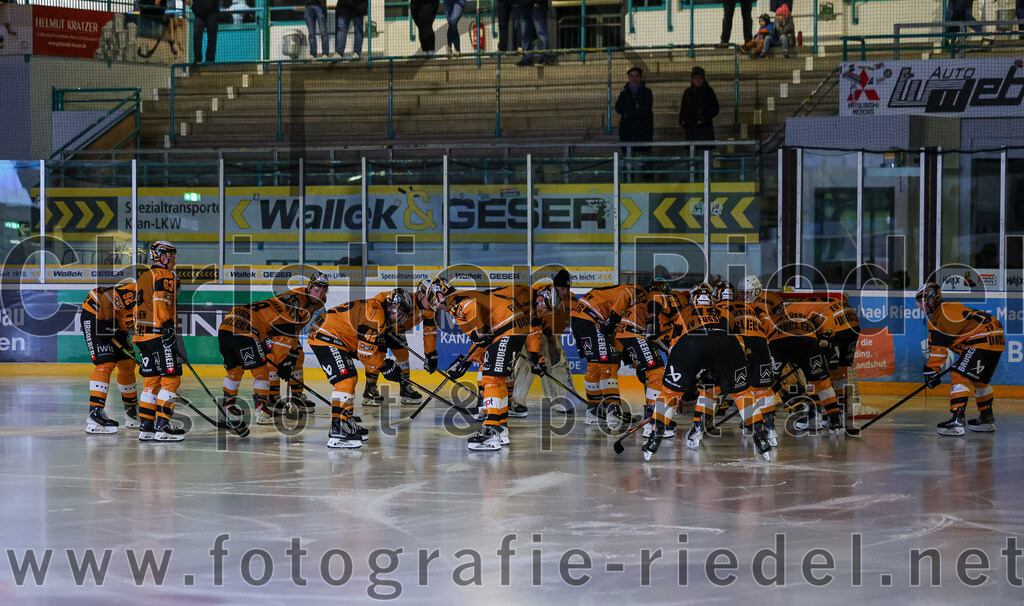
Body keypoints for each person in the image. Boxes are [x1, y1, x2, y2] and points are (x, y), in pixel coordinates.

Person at [658, 282, 770, 462]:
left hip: (695, 349)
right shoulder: (726, 311)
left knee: (704, 389)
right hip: (733, 351)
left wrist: (686, 375)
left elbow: (675, 347)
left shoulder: (685, 312)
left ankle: (691, 430)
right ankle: (762, 434)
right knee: (743, 394)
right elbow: (738, 339)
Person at [427, 278, 529, 451]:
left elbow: (472, 310)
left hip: (507, 327)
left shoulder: (454, 300)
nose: (436, 307)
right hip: (515, 326)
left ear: (439, 295)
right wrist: (466, 361)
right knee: (499, 380)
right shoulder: (463, 295)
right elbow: (482, 342)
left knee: (491, 379)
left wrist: (479, 331)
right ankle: (501, 428)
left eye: (434, 302)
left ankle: (491, 431)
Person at [308, 291, 412, 448]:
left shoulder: (379, 309)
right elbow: (365, 354)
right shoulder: (375, 317)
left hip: (334, 335)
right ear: (392, 306)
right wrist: (386, 368)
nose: (400, 318)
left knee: (351, 378)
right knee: (346, 380)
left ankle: (345, 422)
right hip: (326, 335)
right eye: (400, 313)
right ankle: (338, 430)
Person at [916, 283, 1005, 436]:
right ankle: (986, 417)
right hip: (996, 337)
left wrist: (931, 371)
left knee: (958, 375)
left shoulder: (938, 317)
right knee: (980, 381)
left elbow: (938, 351)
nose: (919, 307)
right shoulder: (948, 308)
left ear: (930, 300)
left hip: (981, 338)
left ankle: (957, 419)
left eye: (920, 302)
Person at [569, 281, 648, 428]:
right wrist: (613, 320)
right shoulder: (641, 293)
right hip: (592, 318)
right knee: (608, 366)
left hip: (581, 317)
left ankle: (594, 410)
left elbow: (620, 335)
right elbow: (626, 296)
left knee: (595, 366)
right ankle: (613, 411)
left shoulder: (633, 300)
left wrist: (628, 360)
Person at [134, 241, 185, 441]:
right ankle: (163, 426)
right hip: (159, 335)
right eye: (172, 256)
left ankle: (146, 426)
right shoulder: (165, 275)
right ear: (162, 256)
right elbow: (160, 301)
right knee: (171, 379)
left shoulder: (144, 276)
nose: (173, 261)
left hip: (141, 336)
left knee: (151, 382)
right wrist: (167, 327)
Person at [511, 269, 577, 415]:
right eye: (562, 288)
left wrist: (554, 341)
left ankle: (563, 399)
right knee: (528, 364)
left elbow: (566, 322)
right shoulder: (539, 294)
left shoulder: (571, 300)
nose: (565, 291)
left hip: (548, 336)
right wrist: (536, 352)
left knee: (558, 361)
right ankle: (516, 401)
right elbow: (531, 318)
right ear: (554, 286)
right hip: (530, 332)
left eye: (567, 287)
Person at [362, 284, 436, 406]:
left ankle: (405, 387)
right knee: (378, 355)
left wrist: (431, 354)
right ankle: (370, 389)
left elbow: (430, 333)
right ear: (420, 295)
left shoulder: (430, 311)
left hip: (397, 330)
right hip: (382, 325)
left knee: (403, 354)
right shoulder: (404, 298)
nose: (433, 303)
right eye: (430, 299)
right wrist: (379, 321)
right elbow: (378, 300)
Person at [265, 272, 329, 412]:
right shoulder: (296, 299)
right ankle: (272, 397)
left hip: (289, 332)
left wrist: (292, 353)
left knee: (298, 357)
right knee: (276, 360)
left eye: (323, 291)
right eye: (316, 290)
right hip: (272, 329)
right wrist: (289, 353)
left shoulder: (319, 301)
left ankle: (296, 396)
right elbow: (283, 323)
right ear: (309, 286)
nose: (318, 295)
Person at [81, 283, 138, 434]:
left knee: (128, 364)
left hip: (116, 320)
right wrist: (105, 328)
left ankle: (132, 410)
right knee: (106, 363)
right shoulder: (132, 293)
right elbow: (107, 298)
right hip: (96, 315)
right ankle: (95, 413)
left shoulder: (159, 303)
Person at [615, 67, 654, 156]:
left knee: (643, 164)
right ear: (628, 78)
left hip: (643, 134)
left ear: (640, 78)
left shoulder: (647, 92)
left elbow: (645, 109)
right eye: (631, 76)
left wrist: (628, 112)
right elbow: (618, 107)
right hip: (627, 134)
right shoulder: (623, 93)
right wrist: (634, 108)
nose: (634, 79)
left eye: (637, 76)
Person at [678, 66, 719, 143]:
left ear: (703, 79)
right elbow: (684, 108)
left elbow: (715, 108)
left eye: (699, 78)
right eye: (695, 78)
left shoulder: (709, 92)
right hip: (691, 128)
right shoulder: (688, 92)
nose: (697, 80)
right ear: (692, 79)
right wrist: (682, 120)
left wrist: (704, 119)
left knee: (703, 151)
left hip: (705, 129)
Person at [516, 0, 549, 66]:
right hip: (525, 6)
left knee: (541, 32)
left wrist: (539, 2)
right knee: (525, 33)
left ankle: (544, 58)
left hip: (537, 6)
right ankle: (526, 58)